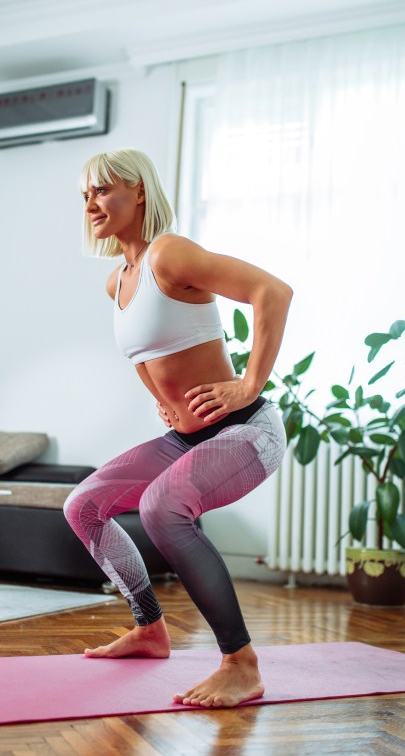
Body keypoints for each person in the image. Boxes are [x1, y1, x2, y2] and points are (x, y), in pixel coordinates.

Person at [64, 148, 292, 708]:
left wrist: (250, 384)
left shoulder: (171, 253)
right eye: (86, 194)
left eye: (104, 189)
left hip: (245, 430)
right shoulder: (116, 281)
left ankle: (241, 663)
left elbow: (273, 292)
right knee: (83, 505)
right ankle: (149, 628)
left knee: (162, 507)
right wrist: (164, 405)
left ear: (139, 191)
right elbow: (150, 355)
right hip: (187, 436)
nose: (92, 202)